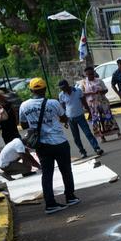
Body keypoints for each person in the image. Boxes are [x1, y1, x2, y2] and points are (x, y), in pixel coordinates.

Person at [18, 78, 79, 213]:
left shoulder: (24, 105)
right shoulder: (53, 103)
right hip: (59, 142)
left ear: (30, 90)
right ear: (45, 89)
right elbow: (63, 118)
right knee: (66, 170)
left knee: (47, 174)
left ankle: (50, 203)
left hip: (41, 145)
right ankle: (70, 196)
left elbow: (23, 125)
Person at [58, 79, 103, 158]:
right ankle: (82, 152)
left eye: (64, 87)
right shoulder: (61, 95)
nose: (63, 89)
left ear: (67, 85)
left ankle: (97, 148)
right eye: (61, 88)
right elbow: (63, 108)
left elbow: (84, 102)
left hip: (80, 116)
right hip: (70, 118)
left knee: (88, 133)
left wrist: (89, 112)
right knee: (76, 137)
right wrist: (65, 121)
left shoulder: (78, 91)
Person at [79, 65, 121, 144]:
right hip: (93, 104)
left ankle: (118, 133)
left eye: (92, 74)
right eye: (88, 74)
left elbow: (106, 89)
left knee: (108, 117)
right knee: (97, 120)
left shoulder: (99, 80)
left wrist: (100, 91)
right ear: (86, 75)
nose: (90, 76)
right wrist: (91, 93)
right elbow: (82, 93)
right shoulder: (83, 83)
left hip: (102, 102)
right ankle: (102, 137)